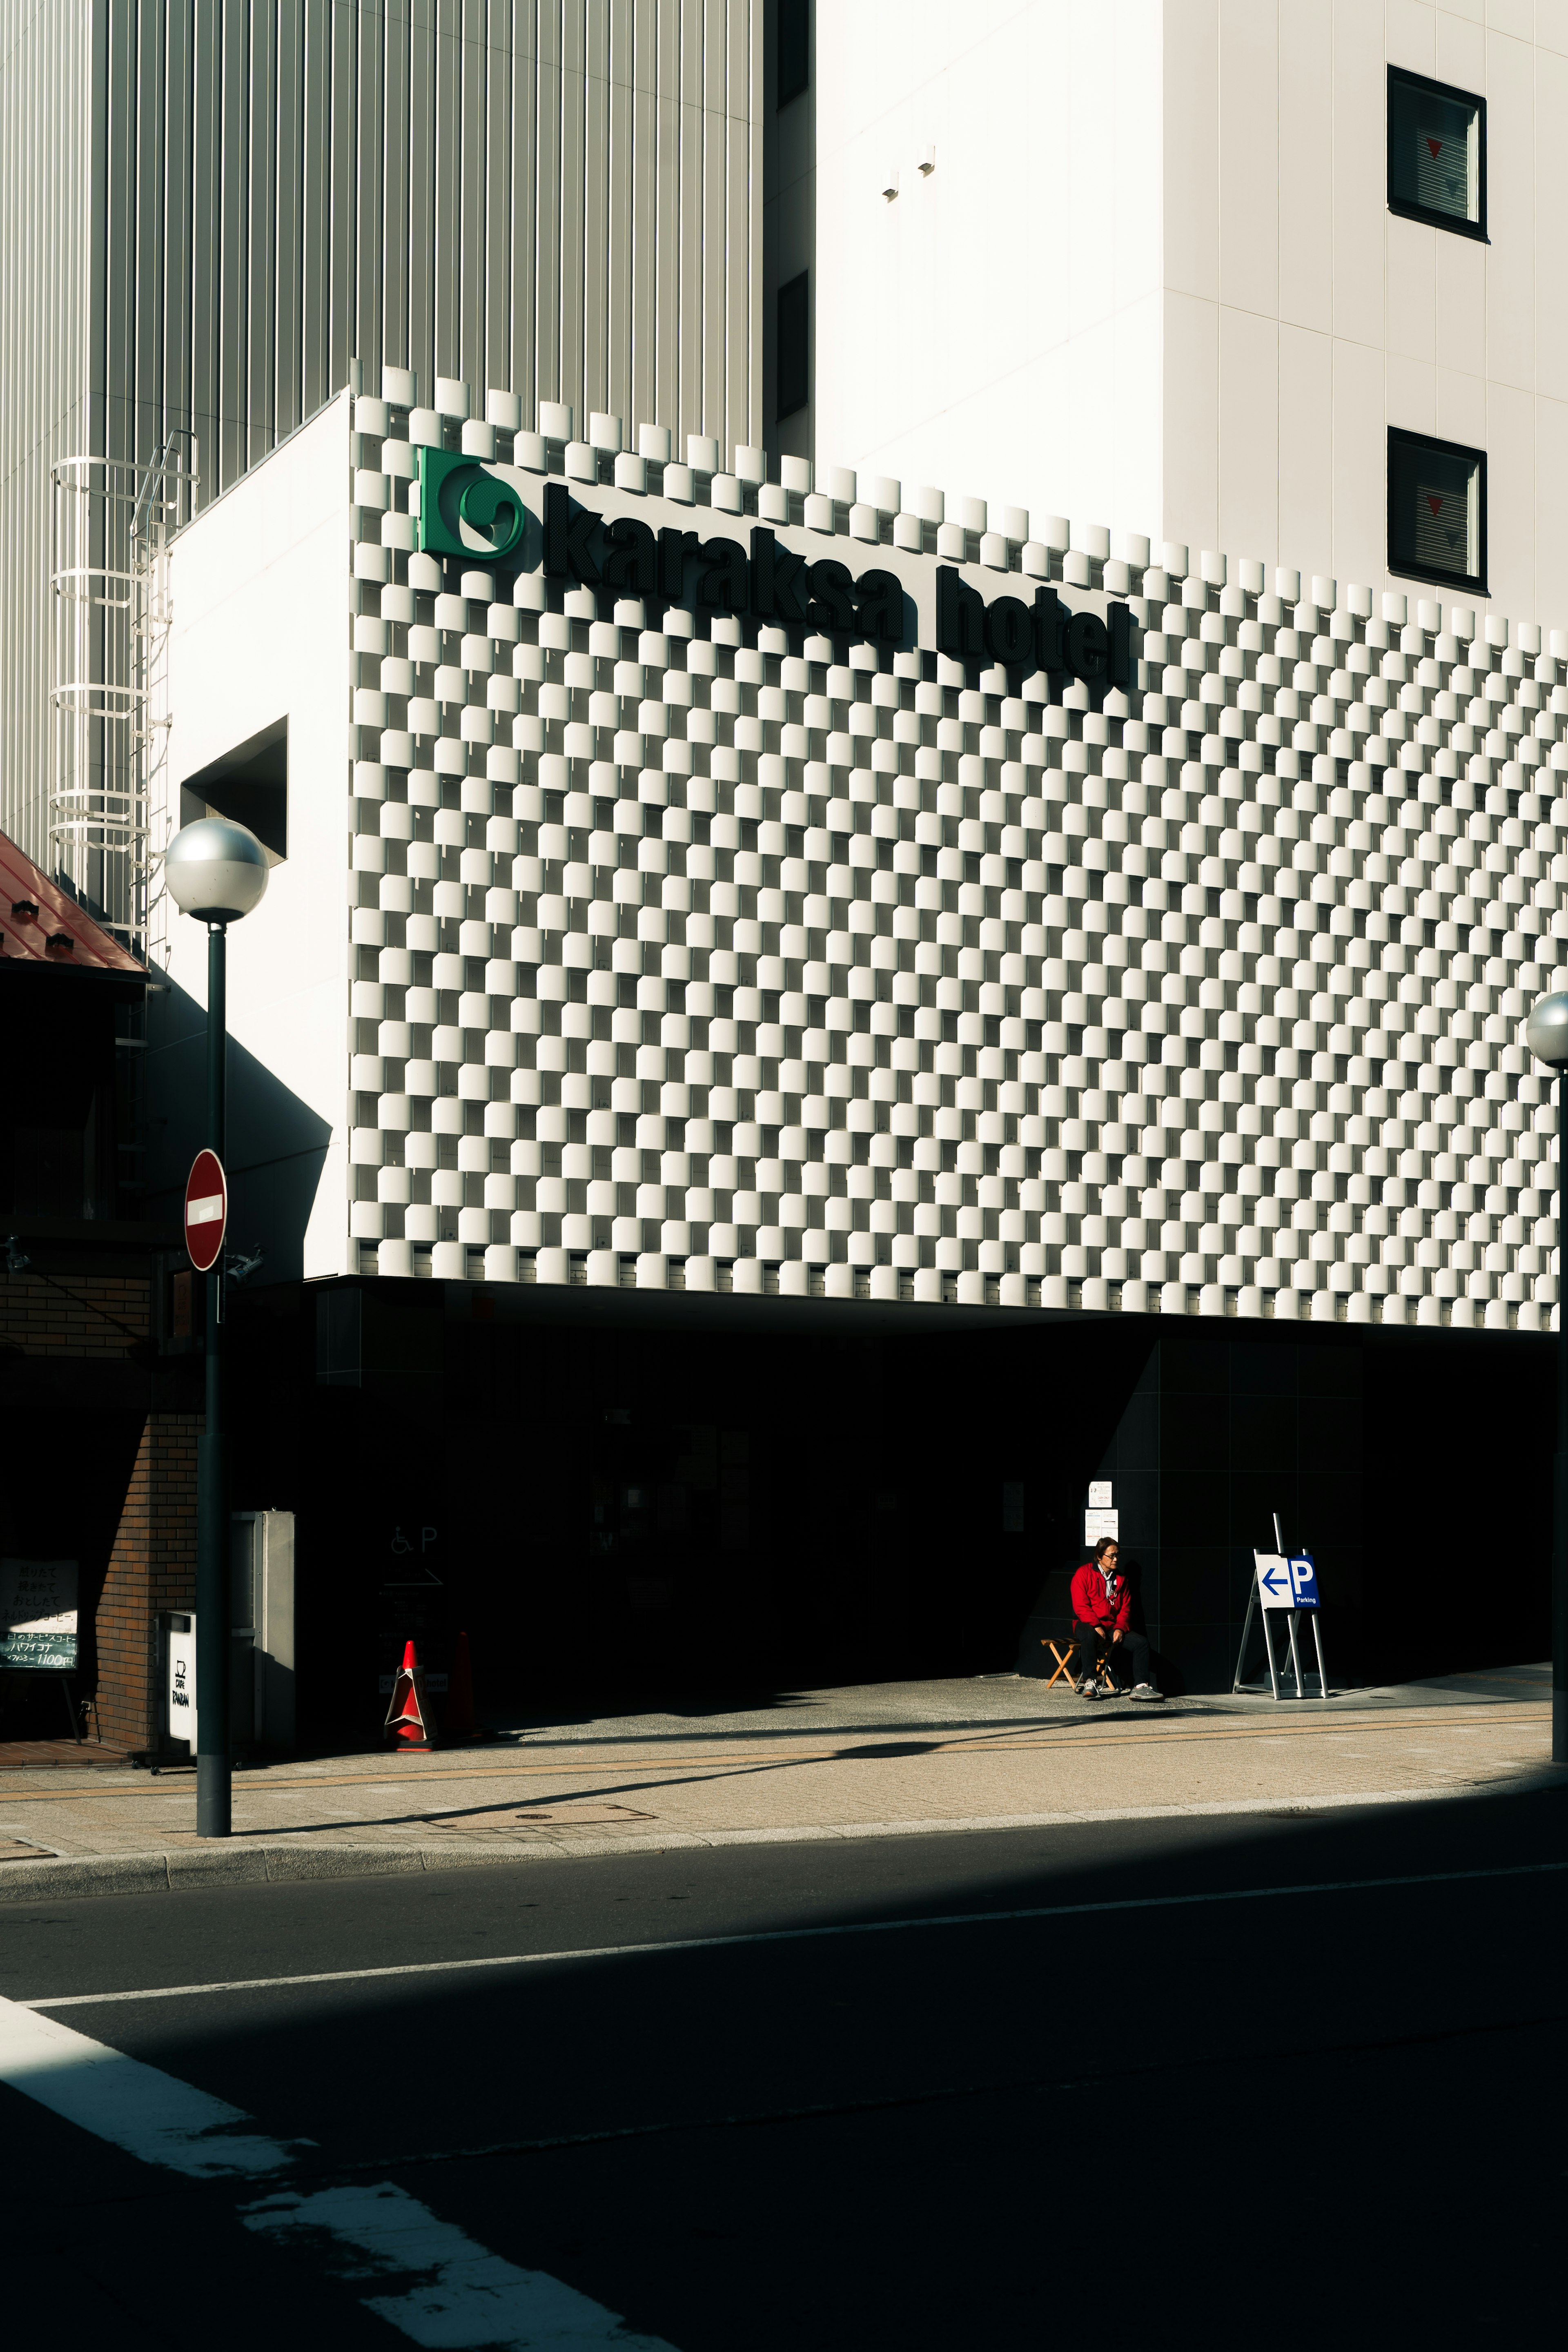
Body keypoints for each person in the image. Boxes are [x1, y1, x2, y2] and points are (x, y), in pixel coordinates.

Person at [1069, 1538, 1161, 1700]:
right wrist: (1095, 1624)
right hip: (1087, 1623)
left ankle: (1140, 1687)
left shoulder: (1121, 1579)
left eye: (1117, 1555)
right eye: (1112, 1556)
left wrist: (1120, 1628)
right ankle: (1090, 1682)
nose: (1116, 1559)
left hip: (1112, 1625)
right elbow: (1080, 1605)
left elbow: (1125, 1608)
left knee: (1141, 1643)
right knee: (1090, 1636)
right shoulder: (1084, 1574)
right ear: (1099, 1556)